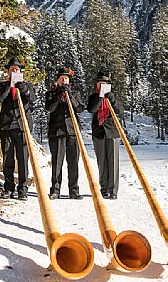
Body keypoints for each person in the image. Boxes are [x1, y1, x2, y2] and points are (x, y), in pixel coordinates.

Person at [0, 57, 35, 201]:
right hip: (6, 127)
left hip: (22, 127)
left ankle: (23, 189)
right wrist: (9, 86)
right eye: (12, 69)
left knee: (23, 158)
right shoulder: (2, 85)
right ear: (8, 72)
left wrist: (23, 88)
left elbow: (32, 99)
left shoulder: (27, 85)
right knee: (8, 158)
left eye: (16, 70)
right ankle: (9, 187)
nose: (14, 71)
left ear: (21, 72)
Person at [45, 67, 84, 200]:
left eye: (66, 78)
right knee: (57, 162)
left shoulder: (75, 93)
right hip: (56, 132)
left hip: (72, 131)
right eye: (61, 78)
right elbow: (49, 108)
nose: (64, 80)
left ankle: (74, 190)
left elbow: (80, 108)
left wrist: (70, 96)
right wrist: (58, 96)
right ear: (58, 80)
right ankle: (55, 189)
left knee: (73, 161)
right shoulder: (51, 93)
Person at [87, 71, 124, 200]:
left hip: (112, 131)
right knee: (102, 162)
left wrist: (111, 99)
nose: (102, 85)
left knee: (113, 161)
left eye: (104, 83)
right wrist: (101, 98)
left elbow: (120, 110)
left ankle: (113, 190)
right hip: (99, 132)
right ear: (96, 85)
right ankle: (104, 189)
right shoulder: (93, 97)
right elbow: (91, 109)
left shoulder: (113, 96)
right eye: (99, 83)